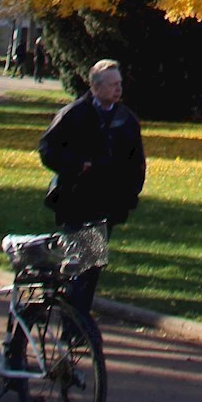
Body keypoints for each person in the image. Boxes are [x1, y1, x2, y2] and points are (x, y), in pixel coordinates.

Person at [38, 60, 146, 311]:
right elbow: (47, 149)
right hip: (75, 200)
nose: (118, 90)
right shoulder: (74, 114)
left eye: (120, 84)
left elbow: (136, 162)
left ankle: (77, 319)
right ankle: (71, 320)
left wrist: (130, 193)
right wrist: (76, 165)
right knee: (79, 263)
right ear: (96, 87)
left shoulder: (126, 119)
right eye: (112, 85)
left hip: (107, 203)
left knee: (93, 265)